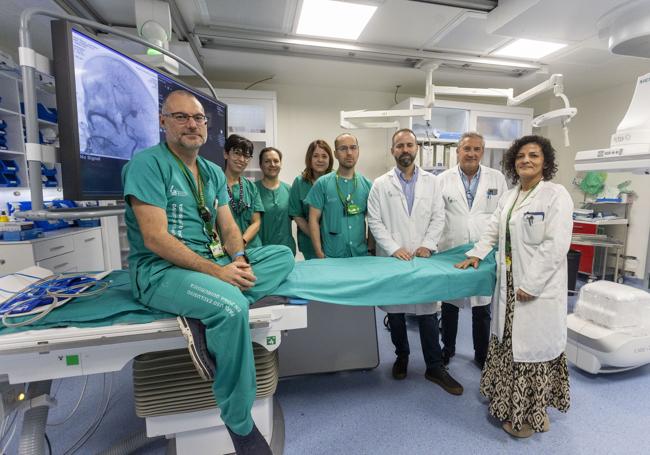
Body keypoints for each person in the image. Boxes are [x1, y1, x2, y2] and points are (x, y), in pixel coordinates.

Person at [122, 90, 294, 454]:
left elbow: (229, 228)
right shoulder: (147, 164)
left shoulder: (212, 172)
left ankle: (207, 310)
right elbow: (154, 238)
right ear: (162, 121)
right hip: (160, 270)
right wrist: (218, 276)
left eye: (198, 118)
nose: (192, 124)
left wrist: (240, 261)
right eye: (181, 117)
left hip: (210, 265)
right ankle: (240, 423)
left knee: (281, 254)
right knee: (232, 306)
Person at [455, 135, 572, 438]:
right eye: (520, 156)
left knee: (532, 353)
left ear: (545, 161)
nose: (526, 160)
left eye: (533, 155)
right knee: (509, 346)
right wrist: (476, 254)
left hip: (537, 290)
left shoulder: (555, 195)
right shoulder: (511, 195)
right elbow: (494, 227)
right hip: (509, 287)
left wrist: (532, 284)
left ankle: (527, 418)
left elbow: (556, 245)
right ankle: (513, 407)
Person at [367, 128, 463, 396]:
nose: (405, 150)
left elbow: (438, 217)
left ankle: (434, 365)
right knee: (395, 313)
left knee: (428, 312)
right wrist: (394, 248)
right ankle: (402, 356)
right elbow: (374, 220)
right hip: (393, 258)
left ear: (416, 148)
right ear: (392, 151)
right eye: (399, 146)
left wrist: (428, 245)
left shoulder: (432, 183)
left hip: (422, 257)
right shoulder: (380, 184)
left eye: (409, 145)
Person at [438, 132, 508, 369]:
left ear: (482, 152)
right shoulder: (443, 179)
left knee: (482, 307)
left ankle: (481, 354)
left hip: (484, 250)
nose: (471, 153)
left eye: (477, 149)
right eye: (467, 149)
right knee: (449, 304)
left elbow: (502, 217)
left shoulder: (496, 179)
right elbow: (437, 216)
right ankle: (447, 349)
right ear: (458, 151)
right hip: (452, 248)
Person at [305, 133, 372, 258]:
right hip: (332, 255)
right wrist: (319, 253)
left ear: (358, 151)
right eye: (343, 149)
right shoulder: (322, 184)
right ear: (335, 154)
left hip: (360, 255)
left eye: (353, 147)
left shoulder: (367, 185)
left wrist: (370, 248)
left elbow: (374, 220)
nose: (349, 153)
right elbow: (313, 220)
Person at [288, 140, 333, 259]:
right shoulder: (299, 183)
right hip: (309, 241)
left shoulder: (336, 181)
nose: (320, 160)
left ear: (330, 159)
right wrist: (315, 236)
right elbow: (297, 214)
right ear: (309, 158)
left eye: (324, 156)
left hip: (335, 241)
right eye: (316, 156)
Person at [223, 134, 265, 249]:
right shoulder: (215, 184)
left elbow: (256, 222)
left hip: (251, 246)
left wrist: (242, 241)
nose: (241, 159)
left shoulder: (251, 187)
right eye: (237, 153)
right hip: (225, 247)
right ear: (226, 154)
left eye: (246, 156)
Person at [254, 147, 296, 255]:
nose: (272, 164)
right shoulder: (252, 190)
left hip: (286, 251)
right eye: (267, 161)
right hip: (261, 251)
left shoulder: (289, 190)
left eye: (276, 161)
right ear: (260, 165)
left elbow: (299, 217)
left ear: (281, 164)